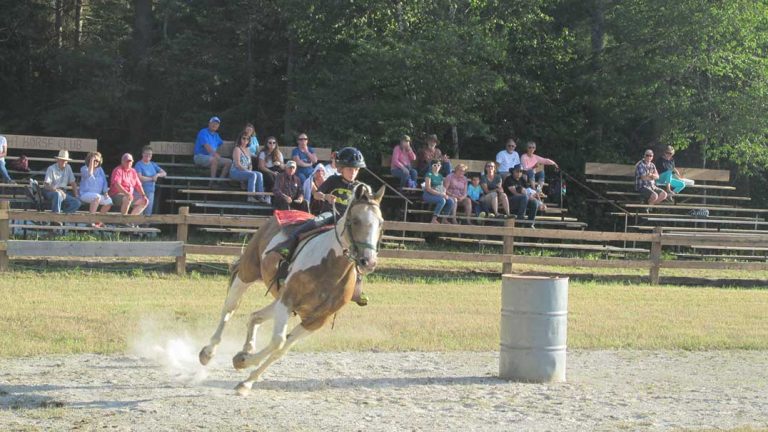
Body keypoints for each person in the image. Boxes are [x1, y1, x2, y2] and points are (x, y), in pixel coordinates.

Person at [268, 147, 370, 306]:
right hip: (330, 216)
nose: (353, 172)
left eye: (356, 169)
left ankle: (357, 289)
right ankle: (288, 250)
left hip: (348, 224)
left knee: (360, 250)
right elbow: (316, 194)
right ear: (341, 168)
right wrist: (326, 197)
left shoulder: (360, 188)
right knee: (313, 223)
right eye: (350, 169)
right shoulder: (332, 181)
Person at [230, 132, 267, 203]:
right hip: (235, 171)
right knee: (253, 174)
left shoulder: (248, 150)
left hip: (245, 171)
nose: (245, 140)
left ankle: (260, 196)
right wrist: (248, 171)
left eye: (247, 139)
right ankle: (250, 196)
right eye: (244, 138)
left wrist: (249, 169)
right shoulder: (237, 149)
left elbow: (250, 164)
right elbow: (237, 164)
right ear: (240, 139)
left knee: (259, 174)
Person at [79, 151, 112, 226]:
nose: (96, 162)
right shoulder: (84, 169)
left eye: (98, 160)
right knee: (96, 197)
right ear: (89, 160)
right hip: (85, 194)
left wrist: (105, 192)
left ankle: (98, 221)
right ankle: (91, 221)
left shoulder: (100, 170)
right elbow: (89, 174)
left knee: (109, 202)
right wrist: (92, 161)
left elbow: (104, 181)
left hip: (98, 195)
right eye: (94, 160)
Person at [43, 150, 80, 214]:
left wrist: (76, 195)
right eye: (62, 160)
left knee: (77, 202)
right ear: (58, 160)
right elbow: (46, 185)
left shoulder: (68, 167)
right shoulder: (51, 168)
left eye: (65, 160)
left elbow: (73, 183)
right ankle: (56, 217)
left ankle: (63, 218)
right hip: (51, 192)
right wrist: (57, 190)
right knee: (57, 194)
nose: (64, 162)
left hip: (63, 192)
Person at [134, 145, 167, 216]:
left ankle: (146, 226)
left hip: (151, 191)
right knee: (139, 212)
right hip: (140, 192)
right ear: (143, 154)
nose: (148, 155)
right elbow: (139, 177)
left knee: (148, 213)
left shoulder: (153, 164)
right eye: (147, 153)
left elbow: (164, 173)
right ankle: (136, 226)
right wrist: (152, 178)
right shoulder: (138, 164)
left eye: (150, 154)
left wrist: (157, 175)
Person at [422, 160, 455, 224]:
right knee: (442, 200)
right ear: (431, 166)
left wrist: (444, 193)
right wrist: (441, 194)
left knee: (451, 201)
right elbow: (428, 188)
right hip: (428, 195)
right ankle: (434, 220)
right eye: (435, 165)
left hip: (438, 195)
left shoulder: (440, 176)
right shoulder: (428, 174)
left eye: (438, 165)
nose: (437, 167)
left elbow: (441, 187)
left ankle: (444, 219)